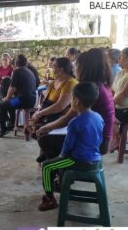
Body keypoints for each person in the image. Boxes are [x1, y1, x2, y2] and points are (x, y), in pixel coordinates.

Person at [36, 48, 114, 159]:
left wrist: (44, 128)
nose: (74, 69)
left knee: (45, 138)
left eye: (76, 66)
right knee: (49, 132)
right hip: (102, 138)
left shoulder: (87, 89)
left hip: (97, 142)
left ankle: (60, 170)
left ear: (84, 68)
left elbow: (66, 119)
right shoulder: (101, 85)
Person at [38, 82, 103, 211]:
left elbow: (67, 146)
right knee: (57, 161)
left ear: (77, 101)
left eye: (72, 98)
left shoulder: (75, 122)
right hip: (96, 159)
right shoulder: (98, 117)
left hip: (80, 161)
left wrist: (61, 156)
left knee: (47, 166)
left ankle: (50, 198)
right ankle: (60, 183)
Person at [31, 57, 78, 162]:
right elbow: (45, 101)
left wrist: (40, 113)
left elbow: (60, 106)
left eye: (53, 67)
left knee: (41, 129)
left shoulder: (70, 83)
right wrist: (39, 111)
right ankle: (45, 150)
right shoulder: (55, 81)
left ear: (61, 70)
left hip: (62, 114)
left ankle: (51, 155)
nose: (51, 68)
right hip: (49, 111)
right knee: (31, 123)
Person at [0, 54, 36, 137]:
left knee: (0, 106)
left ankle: (3, 129)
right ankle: (11, 123)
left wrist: (6, 98)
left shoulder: (17, 71)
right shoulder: (29, 71)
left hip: (22, 100)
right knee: (9, 103)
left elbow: (12, 88)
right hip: (32, 100)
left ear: (16, 63)